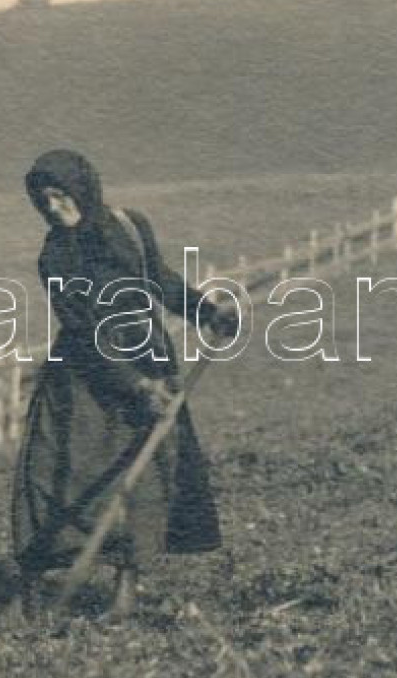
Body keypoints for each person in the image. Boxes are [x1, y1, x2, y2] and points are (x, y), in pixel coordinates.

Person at [12, 149, 236, 617]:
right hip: (84, 379)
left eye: (61, 195)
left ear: (83, 188)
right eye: (43, 200)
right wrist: (135, 386)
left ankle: (124, 591)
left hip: (149, 357)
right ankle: (33, 589)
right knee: (56, 475)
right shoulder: (54, 256)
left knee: (146, 476)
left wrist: (206, 312)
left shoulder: (131, 226)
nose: (54, 207)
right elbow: (82, 331)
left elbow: (162, 281)